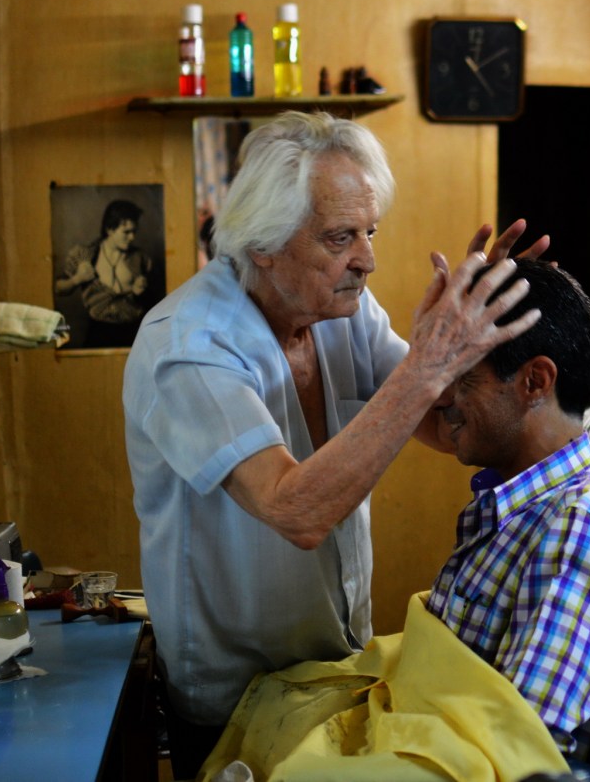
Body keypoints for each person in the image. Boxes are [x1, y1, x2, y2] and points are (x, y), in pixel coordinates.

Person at [122, 110, 546, 779]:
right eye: (340, 237)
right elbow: (296, 510)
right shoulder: (188, 346)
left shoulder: (344, 311)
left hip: (340, 669)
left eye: (370, 232)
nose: (367, 260)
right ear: (263, 243)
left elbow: (443, 425)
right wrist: (426, 365)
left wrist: (485, 333)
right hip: (234, 698)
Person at [425, 260, 590, 757]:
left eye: (463, 378)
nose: (442, 400)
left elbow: (523, 743)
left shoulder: (576, 523)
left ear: (535, 381)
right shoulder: (521, 506)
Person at [54, 198, 153, 347]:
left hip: (134, 333)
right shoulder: (85, 255)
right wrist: (77, 279)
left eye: (134, 232)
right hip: (98, 332)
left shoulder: (141, 258)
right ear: (110, 229)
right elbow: (58, 288)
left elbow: (156, 302)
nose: (132, 237)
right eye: (126, 232)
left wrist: (141, 292)